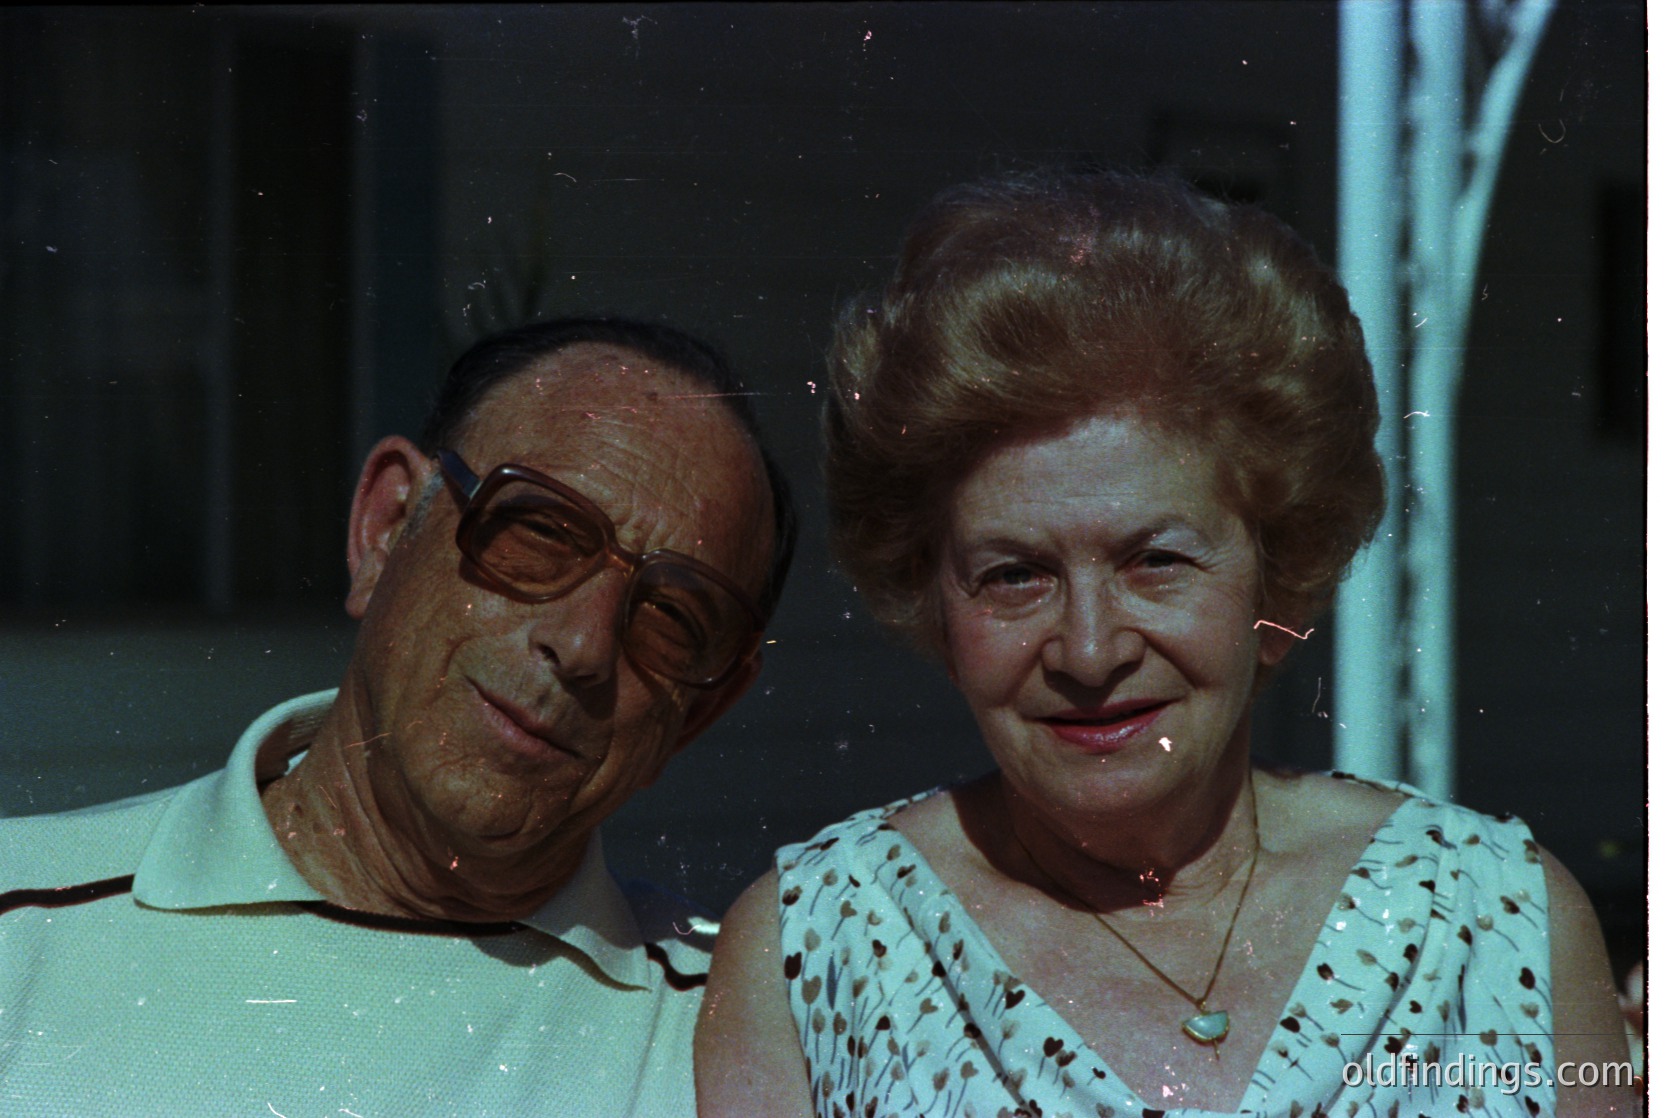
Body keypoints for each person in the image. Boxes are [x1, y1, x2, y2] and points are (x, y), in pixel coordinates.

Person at [697, 171, 1635, 1116]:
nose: (1090, 653)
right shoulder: (815, 954)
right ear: (932, 602)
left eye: (1155, 561)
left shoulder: (1491, 918)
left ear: (1275, 580)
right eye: (1014, 576)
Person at [0, 317, 795, 1116]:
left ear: (701, 711)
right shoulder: (20, 932)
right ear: (385, 530)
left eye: (671, 618)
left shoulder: (736, 1049)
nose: (583, 643)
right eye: (543, 531)